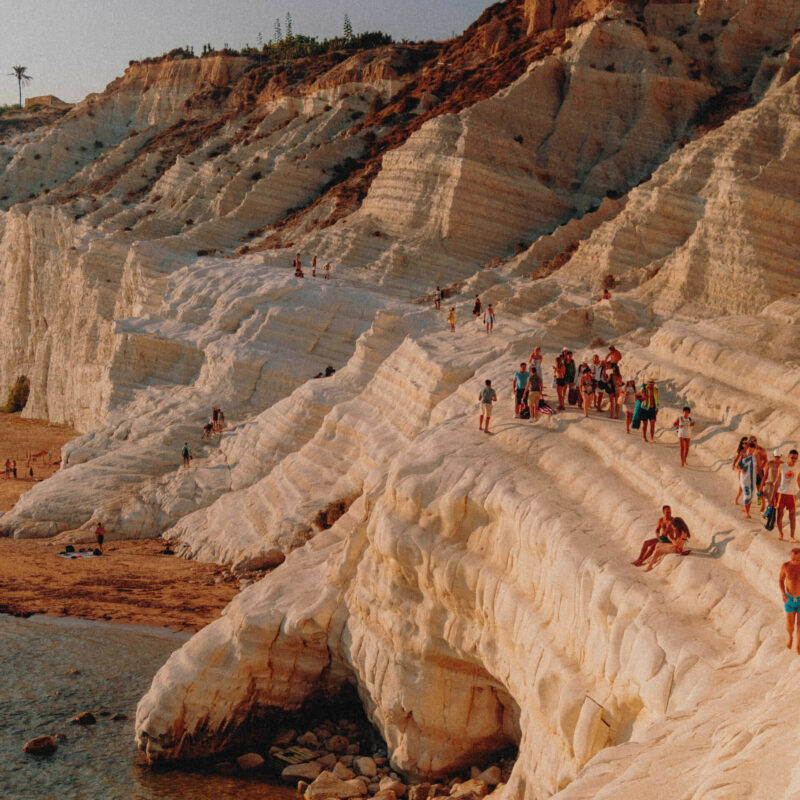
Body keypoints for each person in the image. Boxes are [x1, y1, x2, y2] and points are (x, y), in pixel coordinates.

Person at [773, 449, 800, 541]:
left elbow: (799, 481)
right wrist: (773, 495)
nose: (793, 460)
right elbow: (777, 481)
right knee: (780, 515)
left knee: (792, 516)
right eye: (792, 457)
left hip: (791, 495)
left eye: (796, 458)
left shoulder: (798, 468)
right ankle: (781, 533)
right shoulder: (782, 466)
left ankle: (792, 537)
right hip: (781, 493)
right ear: (788, 456)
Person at [779, 548, 800, 653]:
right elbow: (781, 579)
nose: (795, 561)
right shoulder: (786, 566)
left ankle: (798, 644)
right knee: (790, 624)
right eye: (794, 559)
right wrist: (783, 593)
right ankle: (790, 636)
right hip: (790, 599)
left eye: (798, 560)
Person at [738, 441, 758, 518]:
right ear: (747, 449)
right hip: (745, 480)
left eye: (752, 451)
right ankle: (746, 512)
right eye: (750, 450)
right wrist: (741, 470)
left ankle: (747, 510)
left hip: (752, 480)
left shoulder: (754, 458)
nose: (751, 452)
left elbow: (755, 467)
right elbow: (739, 466)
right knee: (747, 495)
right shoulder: (745, 457)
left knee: (751, 497)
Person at [750, 436, 768, 510]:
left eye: (753, 441)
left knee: (760, 488)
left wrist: (760, 468)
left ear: (755, 441)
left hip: (759, 472)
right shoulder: (751, 449)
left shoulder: (761, 450)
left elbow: (765, 460)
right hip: (752, 472)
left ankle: (763, 504)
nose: (752, 443)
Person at [732, 435, 749, 504]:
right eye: (743, 443)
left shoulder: (750, 450)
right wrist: (734, 464)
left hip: (748, 470)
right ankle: (737, 499)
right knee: (742, 486)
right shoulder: (742, 451)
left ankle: (741, 499)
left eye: (745, 443)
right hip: (742, 470)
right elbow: (737, 458)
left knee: (744, 486)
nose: (744, 444)